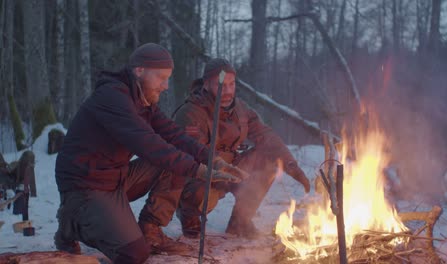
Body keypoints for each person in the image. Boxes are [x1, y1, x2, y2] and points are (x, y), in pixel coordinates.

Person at [54, 44, 247, 264]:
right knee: (134, 254)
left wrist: (213, 160)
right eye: (161, 78)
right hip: (86, 186)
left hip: (115, 180)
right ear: (139, 71)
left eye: (168, 79)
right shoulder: (112, 98)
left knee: (175, 159)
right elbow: (149, 144)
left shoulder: (141, 99)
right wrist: (199, 170)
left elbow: (173, 134)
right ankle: (73, 221)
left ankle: (150, 229)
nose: (165, 86)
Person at [172, 58, 311, 239]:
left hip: (233, 167)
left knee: (267, 159)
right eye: (221, 85)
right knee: (200, 192)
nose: (228, 91)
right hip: (200, 172)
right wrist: (221, 171)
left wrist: (291, 165)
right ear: (206, 84)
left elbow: (265, 136)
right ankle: (189, 216)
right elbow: (193, 153)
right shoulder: (190, 112)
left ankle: (240, 222)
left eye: (232, 84)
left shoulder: (241, 109)